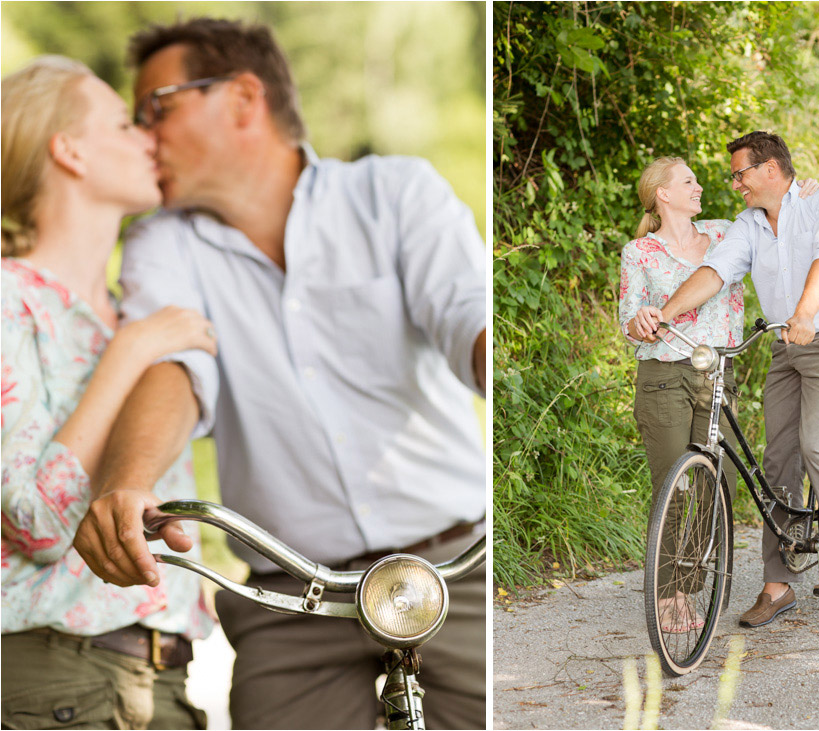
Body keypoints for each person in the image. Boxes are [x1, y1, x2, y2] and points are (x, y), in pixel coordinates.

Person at [71, 18, 487, 730]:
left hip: (457, 574)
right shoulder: (160, 243)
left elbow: (469, 315)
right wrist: (130, 477)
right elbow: (175, 366)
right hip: (287, 604)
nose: (143, 136)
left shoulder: (392, 193)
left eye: (157, 109)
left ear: (241, 98)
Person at [1, 56, 217, 729]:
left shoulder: (132, 315)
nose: (149, 137)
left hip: (164, 680)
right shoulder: (12, 299)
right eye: (125, 124)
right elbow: (33, 520)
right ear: (67, 150)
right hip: (56, 681)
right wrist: (128, 354)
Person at [644, 131, 819, 629]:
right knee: (776, 462)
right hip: (788, 349)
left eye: (740, 173)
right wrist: (664, 313)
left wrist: (806, 312)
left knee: (817, 444)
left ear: (770, 169)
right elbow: (715, 271)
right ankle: (777, 587)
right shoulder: (748, 225)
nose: (735, 184)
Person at [620, 157, 818, 634]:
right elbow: (628, 324)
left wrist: (799, 194)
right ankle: (667, 592)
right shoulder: (640, 252)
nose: (699, 186)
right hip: (663, 375)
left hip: (718, 377)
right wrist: (642, 322)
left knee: (717, 486)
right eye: (688, 181)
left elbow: (777, 219)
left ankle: (692, 586)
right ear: (663, 194)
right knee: (674, 486)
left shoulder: (728, 230)